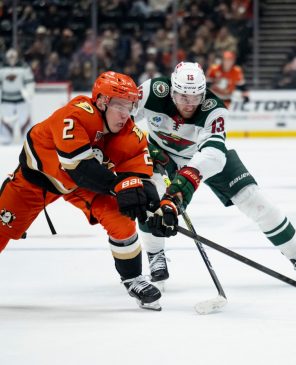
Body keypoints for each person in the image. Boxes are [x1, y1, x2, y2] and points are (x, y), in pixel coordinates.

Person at [134, 61, 296, 287]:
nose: (189, 104)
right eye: (183, 97)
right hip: (158, 153)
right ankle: (156, 255)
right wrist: (139, 145)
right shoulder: (152, 91)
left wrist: (183, 185)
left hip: (202, 156)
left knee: (254, 199)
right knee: (150, 198)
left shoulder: (214, 109)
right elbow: (123, 123)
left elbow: (213, 155)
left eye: (196, 97)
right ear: (172, 90)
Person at [0, 71, 177, 311]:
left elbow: (140, 177)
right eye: (120, 105)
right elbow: (78, 167)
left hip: (83, 185)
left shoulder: (129, 133)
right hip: (37, 181)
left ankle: (133, 279)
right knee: (2, 228)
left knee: (122, 221)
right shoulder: (75, 114)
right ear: (102, 101)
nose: (126, 114)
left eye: (130, 106)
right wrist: (118, 186)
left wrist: (153, 206)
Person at [0, 48, 35, 144]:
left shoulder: (24, 67)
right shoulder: (2, 68)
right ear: (6, 57)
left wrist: (29, 92)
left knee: (24, 121)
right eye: (10, 57)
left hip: (21, 99)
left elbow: (29, 81)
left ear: (17, 57)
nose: (12, 58)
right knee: (6, 122)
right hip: (6, 99)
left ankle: (28, 140)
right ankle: (5, 139)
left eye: (13, 57)